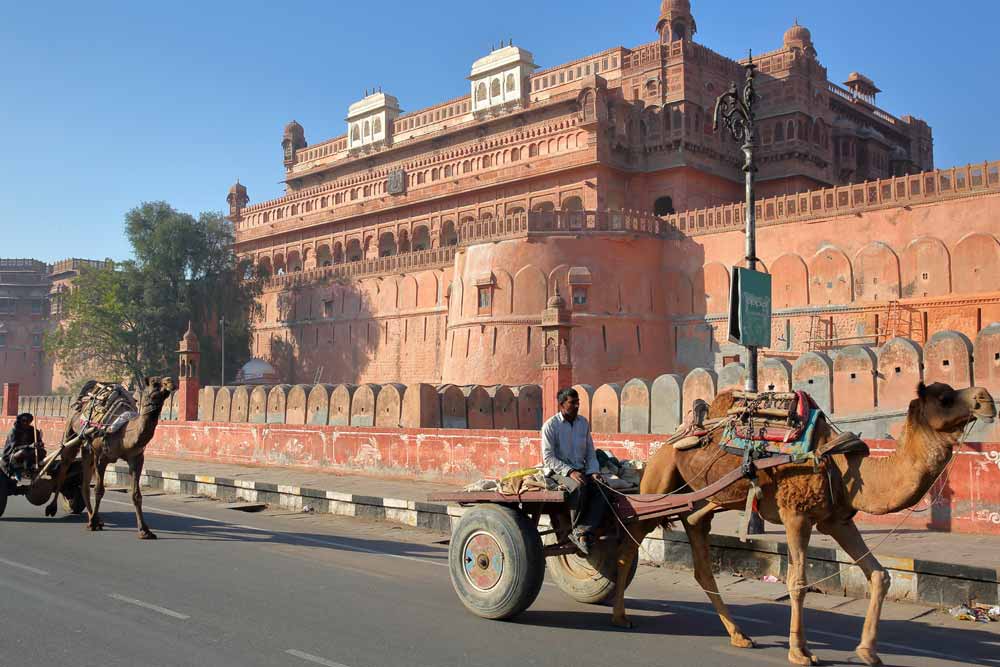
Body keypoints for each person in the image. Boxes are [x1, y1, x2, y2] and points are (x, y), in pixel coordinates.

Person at [541, 387, 605, 555]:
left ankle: (583, 529)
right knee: (578, 487)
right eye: (572, 403)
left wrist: (594, 471)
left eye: (578, 402)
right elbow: (548, 458)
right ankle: (575, 530)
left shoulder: (583, 423)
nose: (577, 406)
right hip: (558, 471)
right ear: (562, 405)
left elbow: (590, 452)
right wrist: (569, 472)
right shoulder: (550, 426)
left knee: (602, 488)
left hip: (581, 469)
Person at [3, 413, 44, 479]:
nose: (26, 423)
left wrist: (40, 443)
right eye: (24, 421)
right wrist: (29, 446)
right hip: (12, 454)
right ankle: (19, 470)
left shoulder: (32, 430)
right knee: (23, 452)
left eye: (28, 421)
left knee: (42, 452)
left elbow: (38, 440)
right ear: (20, 421)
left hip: (28, 450)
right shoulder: (14, 431)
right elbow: (15, 447)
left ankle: (32, 467)